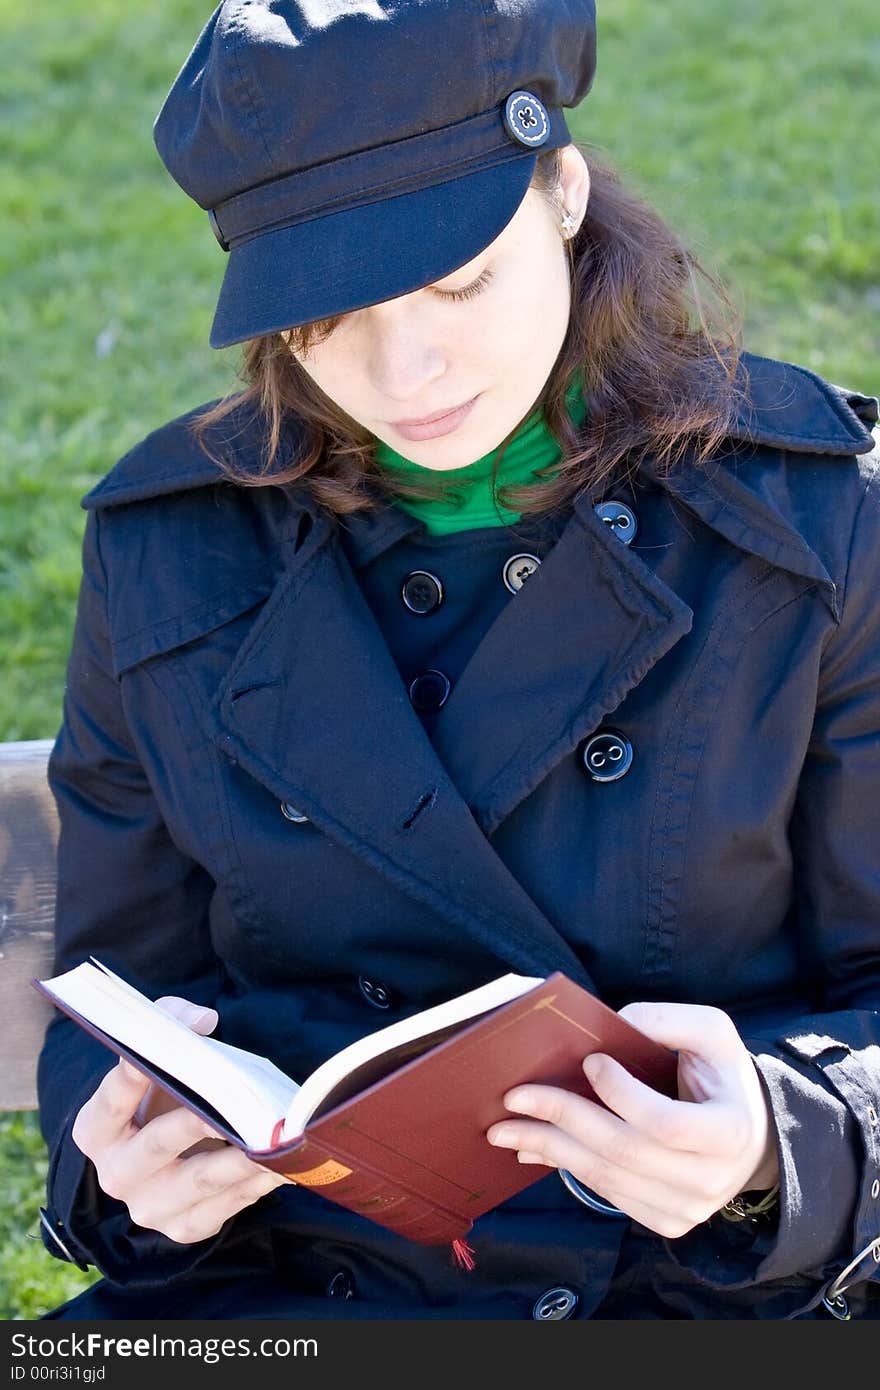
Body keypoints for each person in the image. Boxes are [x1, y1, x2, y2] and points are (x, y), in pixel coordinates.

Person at [36, 0, 880, 1321]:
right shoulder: (171, 551)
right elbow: (122, 991)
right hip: (298, 1294)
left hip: (697, 1295)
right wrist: (123, 1166)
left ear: (563, 191)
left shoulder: (822, 523)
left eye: (456, 278)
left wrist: (782, 1135)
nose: (406, 367)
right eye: (325, 314)